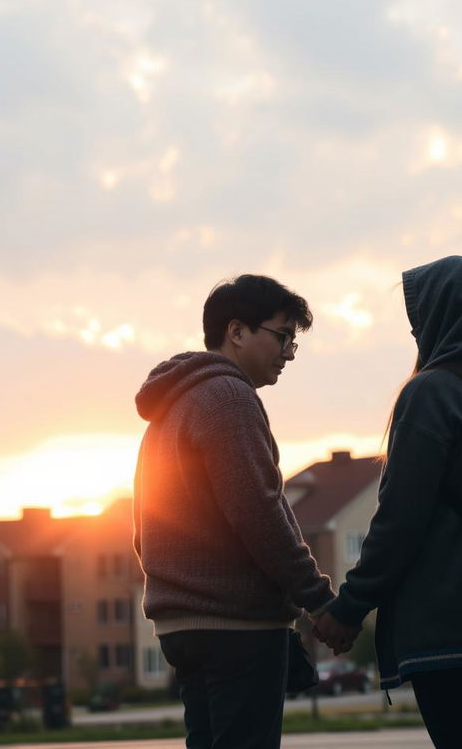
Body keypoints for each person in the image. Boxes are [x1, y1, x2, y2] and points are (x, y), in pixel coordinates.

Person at [314, 256, 462, 749]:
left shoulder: (431, 394)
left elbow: (400, 520)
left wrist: (349, 607)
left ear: (442, 318)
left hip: (454, 636)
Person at [133, 274, 334, 749]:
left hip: (183, 626)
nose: (288, 352)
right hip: (236, 627)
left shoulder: (171, 405)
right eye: (282, 336)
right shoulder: (228, 397)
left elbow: (144, 527)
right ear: (237, 331)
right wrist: (319, 600)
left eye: (294, 343)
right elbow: (261, 512)